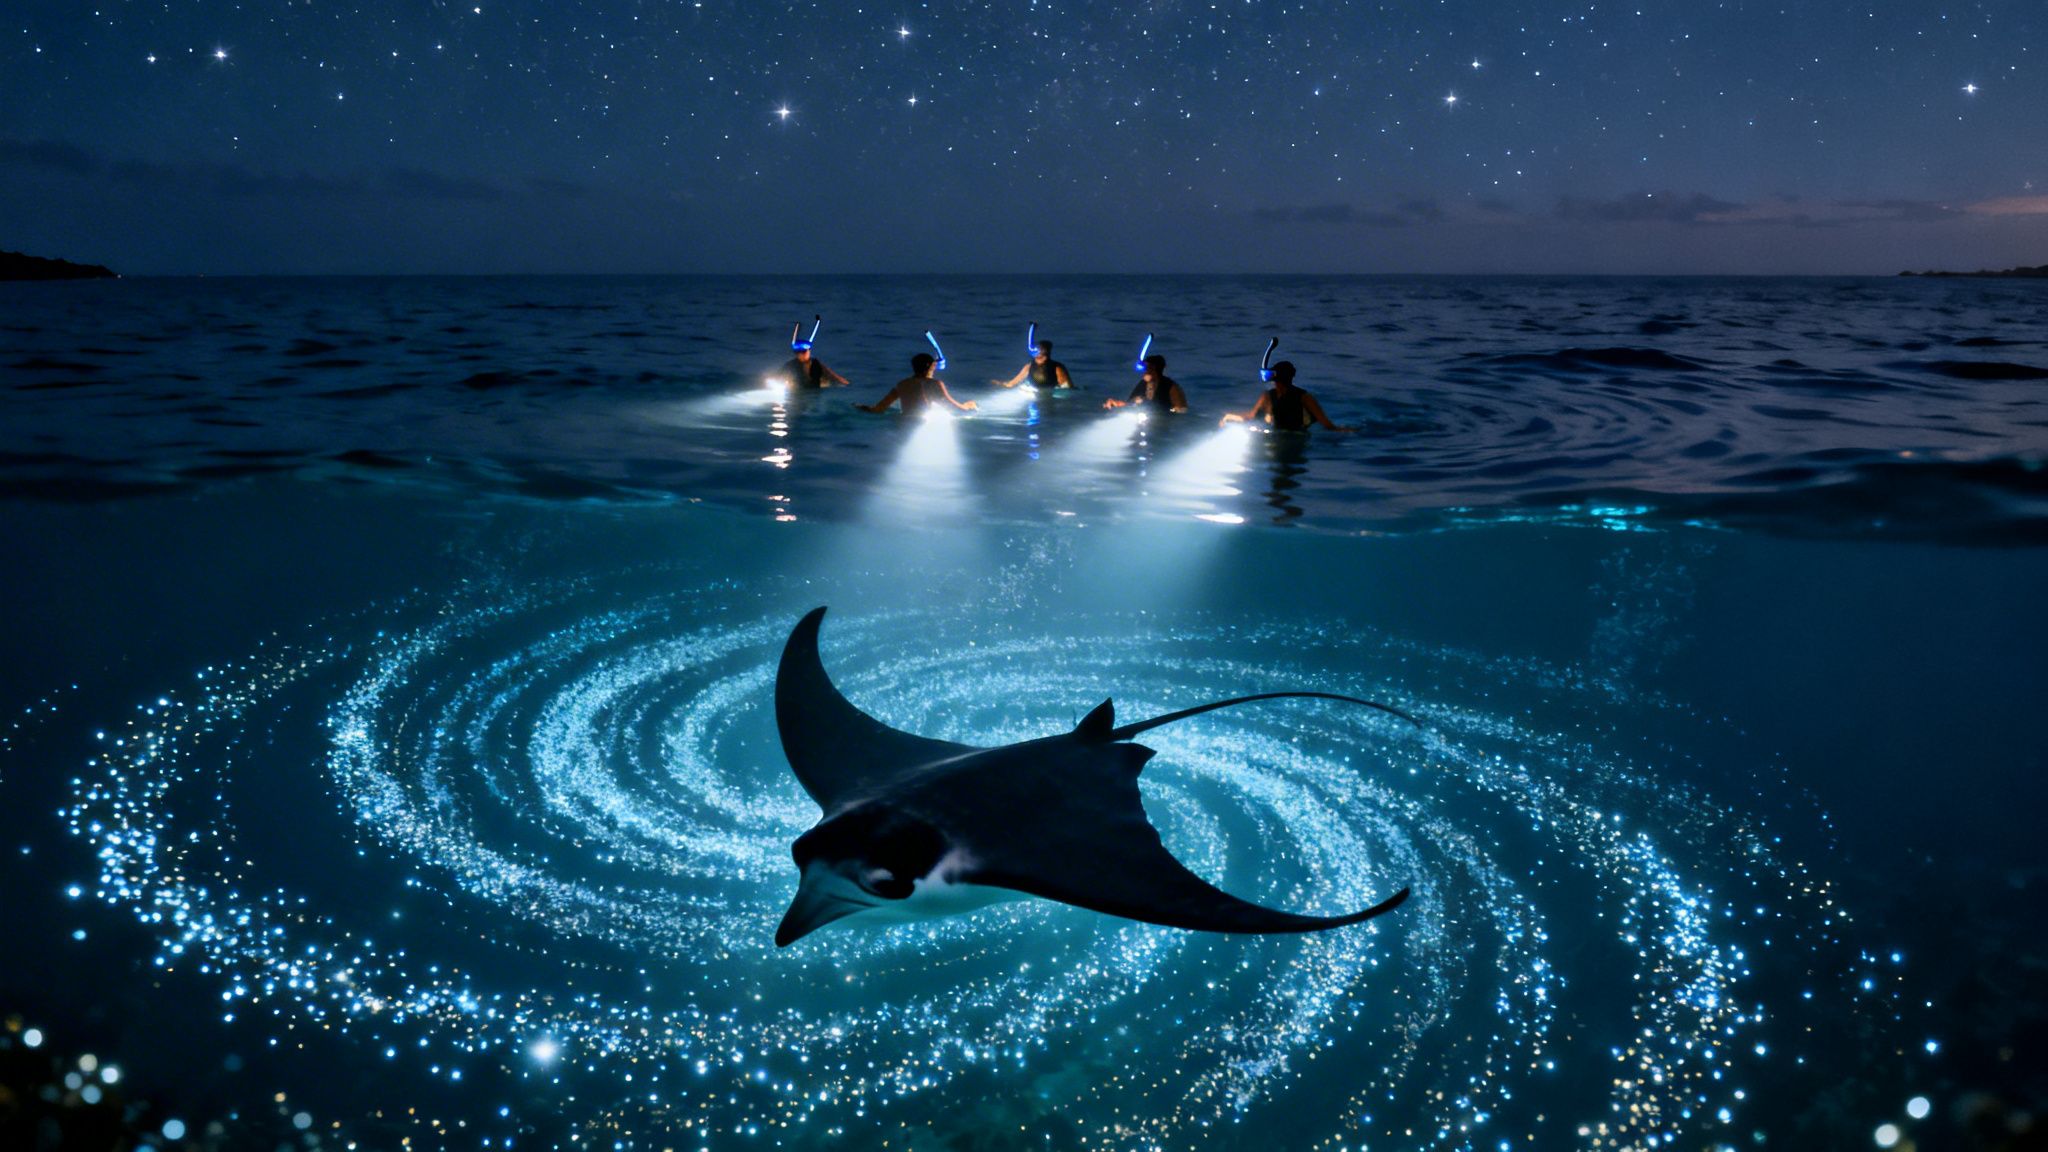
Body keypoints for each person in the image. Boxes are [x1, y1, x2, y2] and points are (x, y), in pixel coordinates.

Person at [1219, 360, 1353, 431]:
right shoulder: (1302, 396)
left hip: (1289, 437)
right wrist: (1229, 417)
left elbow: (1251, 417)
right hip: (1291, 437)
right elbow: (1327, 425)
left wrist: (1229, 417)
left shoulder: (1301, 397)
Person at [859, 352, 979, 415]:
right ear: (931, 366)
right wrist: (969, 405)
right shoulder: (935, 384)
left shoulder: (902, 384)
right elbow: (956, 408)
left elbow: (878, 409)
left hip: (903, 423)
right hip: (923, 422)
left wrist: (860, 407)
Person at [1101, 354, 1185, 411]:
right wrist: (1115, 403)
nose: (1145, 371)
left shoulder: (1170, 387)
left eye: (1148, 368)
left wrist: (1166, 412)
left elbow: (1181, 410)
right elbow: (1130, 404)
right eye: (1145, 368)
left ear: (1155, 369)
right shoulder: (1143, 384)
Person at [993, 340, 1073, 390]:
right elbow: (1012, 383)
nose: (1039, 358)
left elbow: (1067, 388)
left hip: (1049, 394)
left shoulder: (1057, 368)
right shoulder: (1029, 367)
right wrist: (1001, 384)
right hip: (1038, 393)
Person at [780, 342, 848, 389]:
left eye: (804, 352)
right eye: (798, 352)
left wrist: (846, 384)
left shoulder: (816, 364)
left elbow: (833, 377)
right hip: (800, 390)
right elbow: (778, 376)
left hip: (815, 391)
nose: (801, 354)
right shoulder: (791, 365)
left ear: (809, 351)